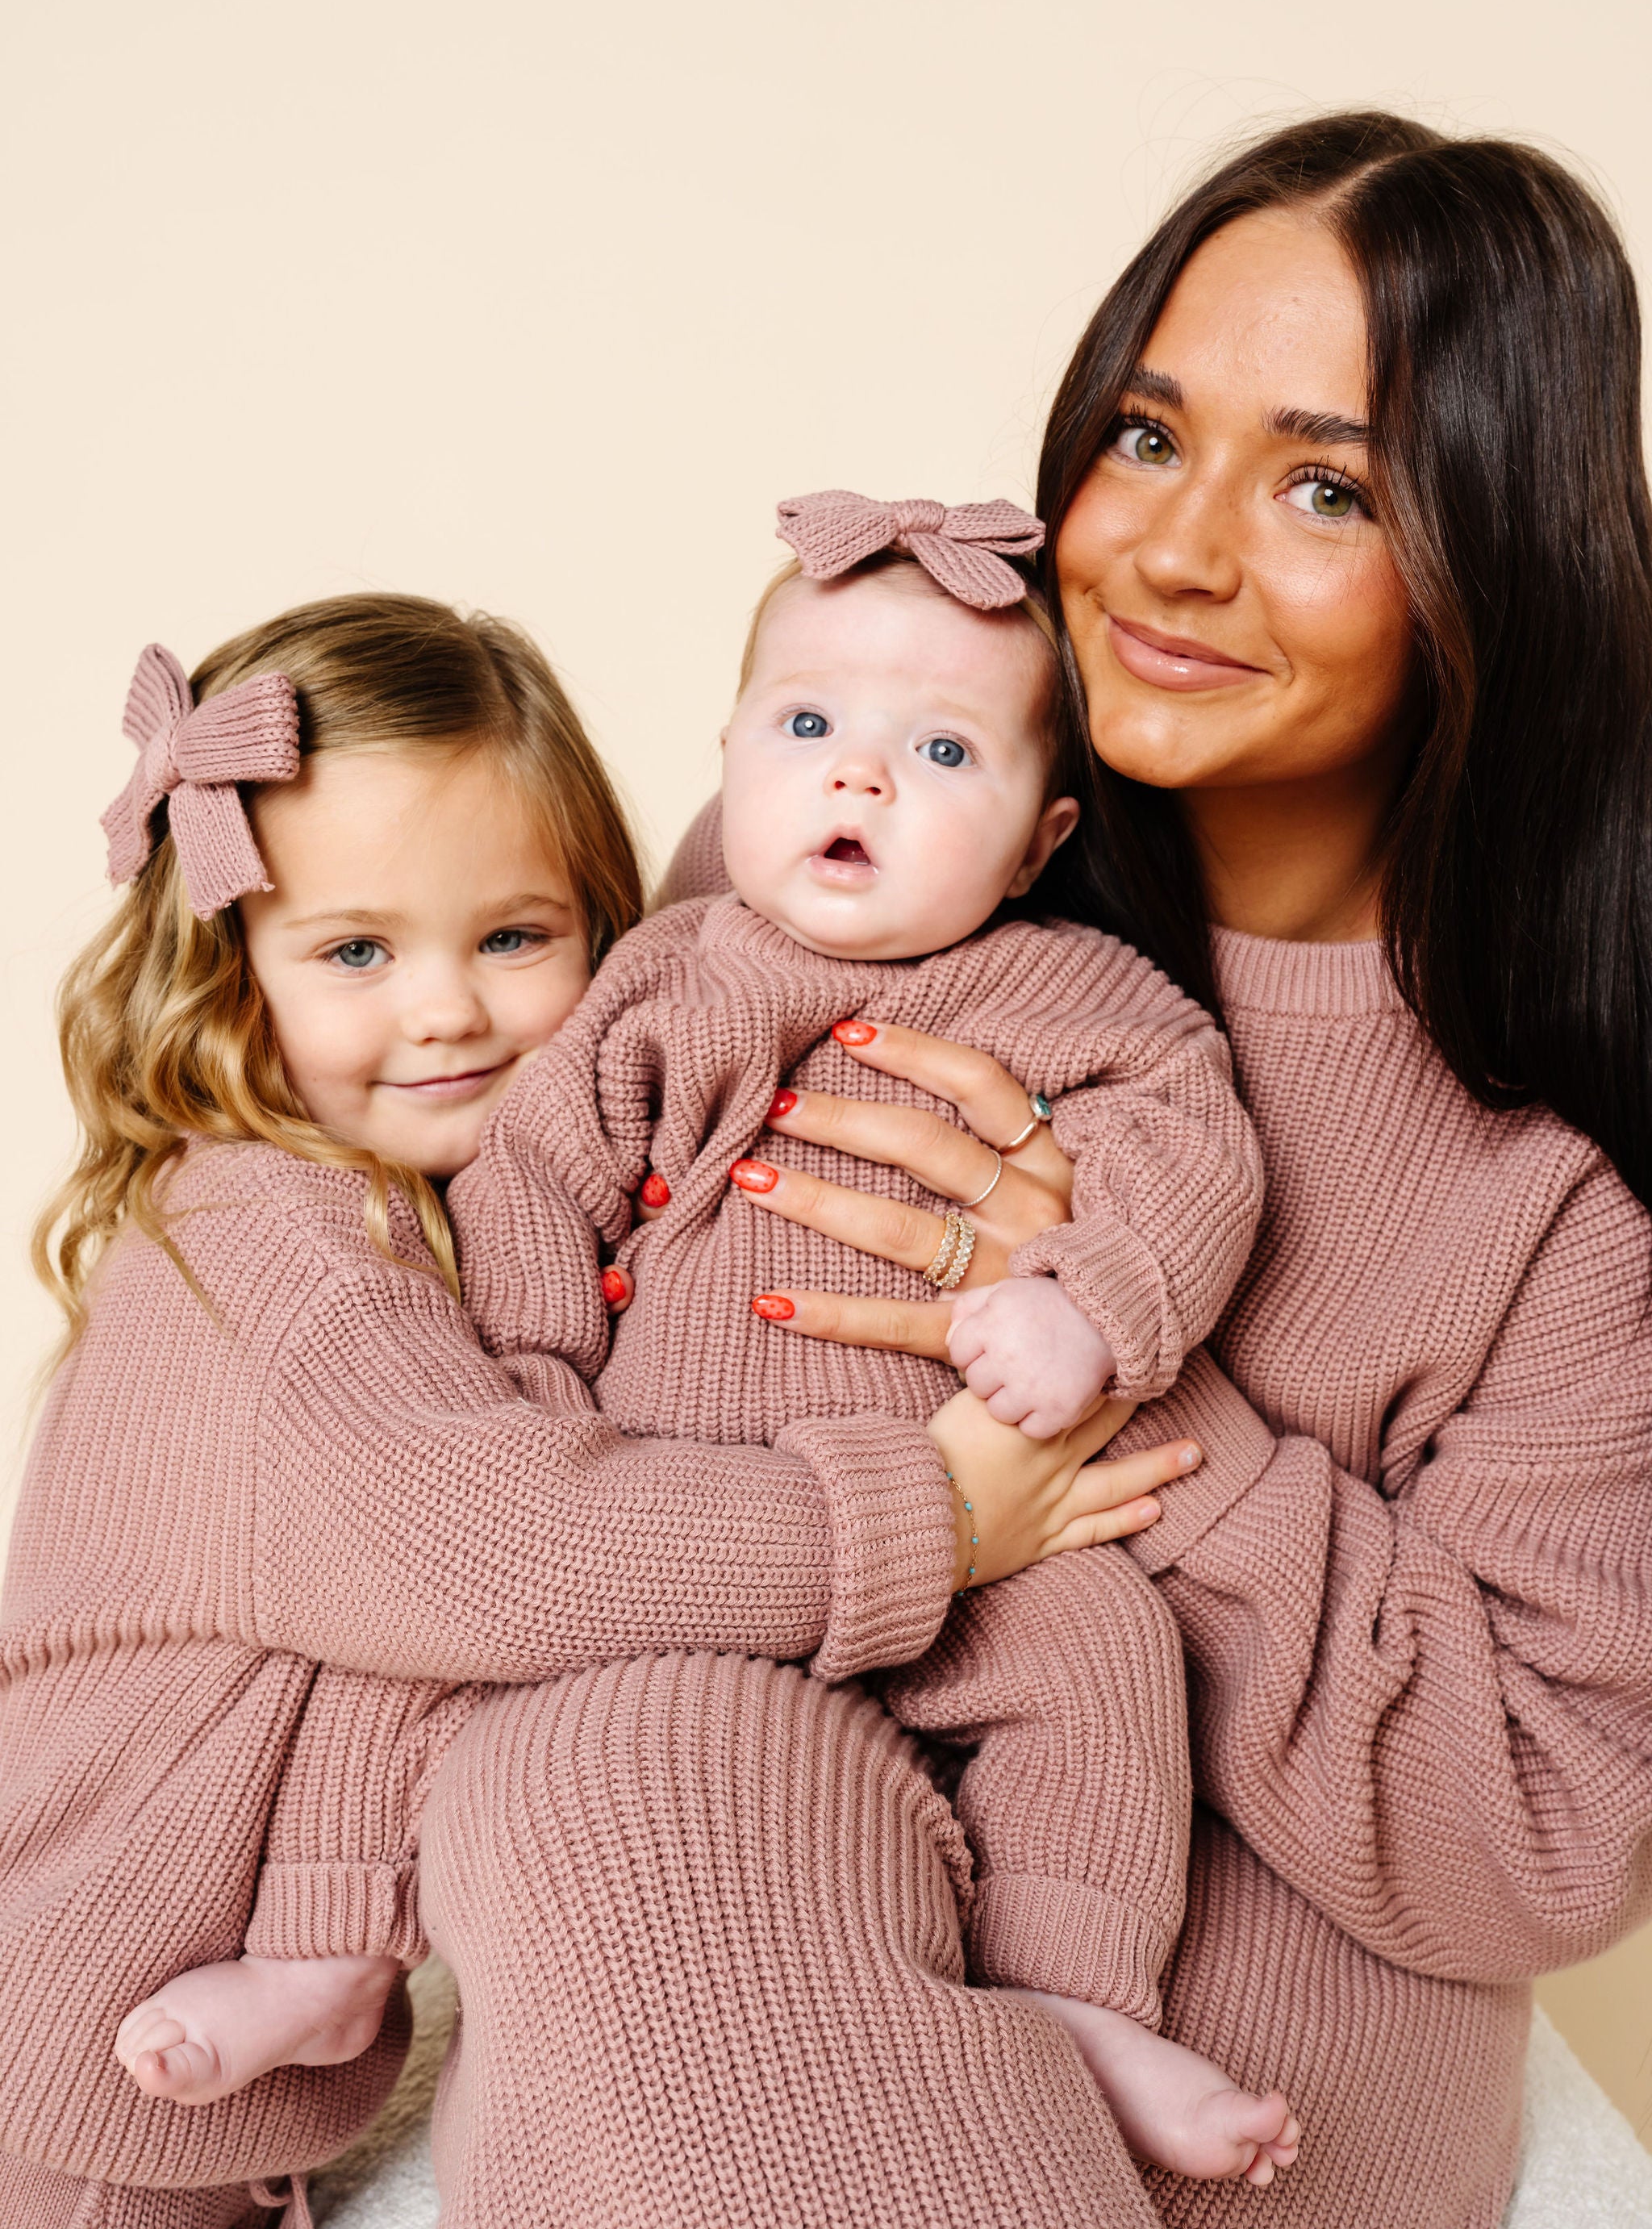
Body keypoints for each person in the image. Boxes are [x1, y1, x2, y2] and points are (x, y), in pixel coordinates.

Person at [659, 112, 1652, 2226]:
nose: (1174, 554)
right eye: (1143, 437)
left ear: (1501, 560)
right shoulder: (856, 856)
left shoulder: (1559, 1189)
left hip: (1259, 2159)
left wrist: (1132, 1365)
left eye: (1323, 486)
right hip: (738, 2037)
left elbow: (1547, 1843)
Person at [115, 492, 1300, 2187]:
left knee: (1111, 1669)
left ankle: (1076, 1991)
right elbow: (536, 1193)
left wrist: (1091, 1301)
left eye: (940, 752)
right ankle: (332, 1942)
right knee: (411, 1647)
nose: (858, 778)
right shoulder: (659, 986)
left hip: (984, 1539)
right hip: (673, 1500)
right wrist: (522, 1387)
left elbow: (1196, 1154)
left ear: (1039, 842)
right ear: (728, 757)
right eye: (808, 727)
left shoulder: (1079, 999)